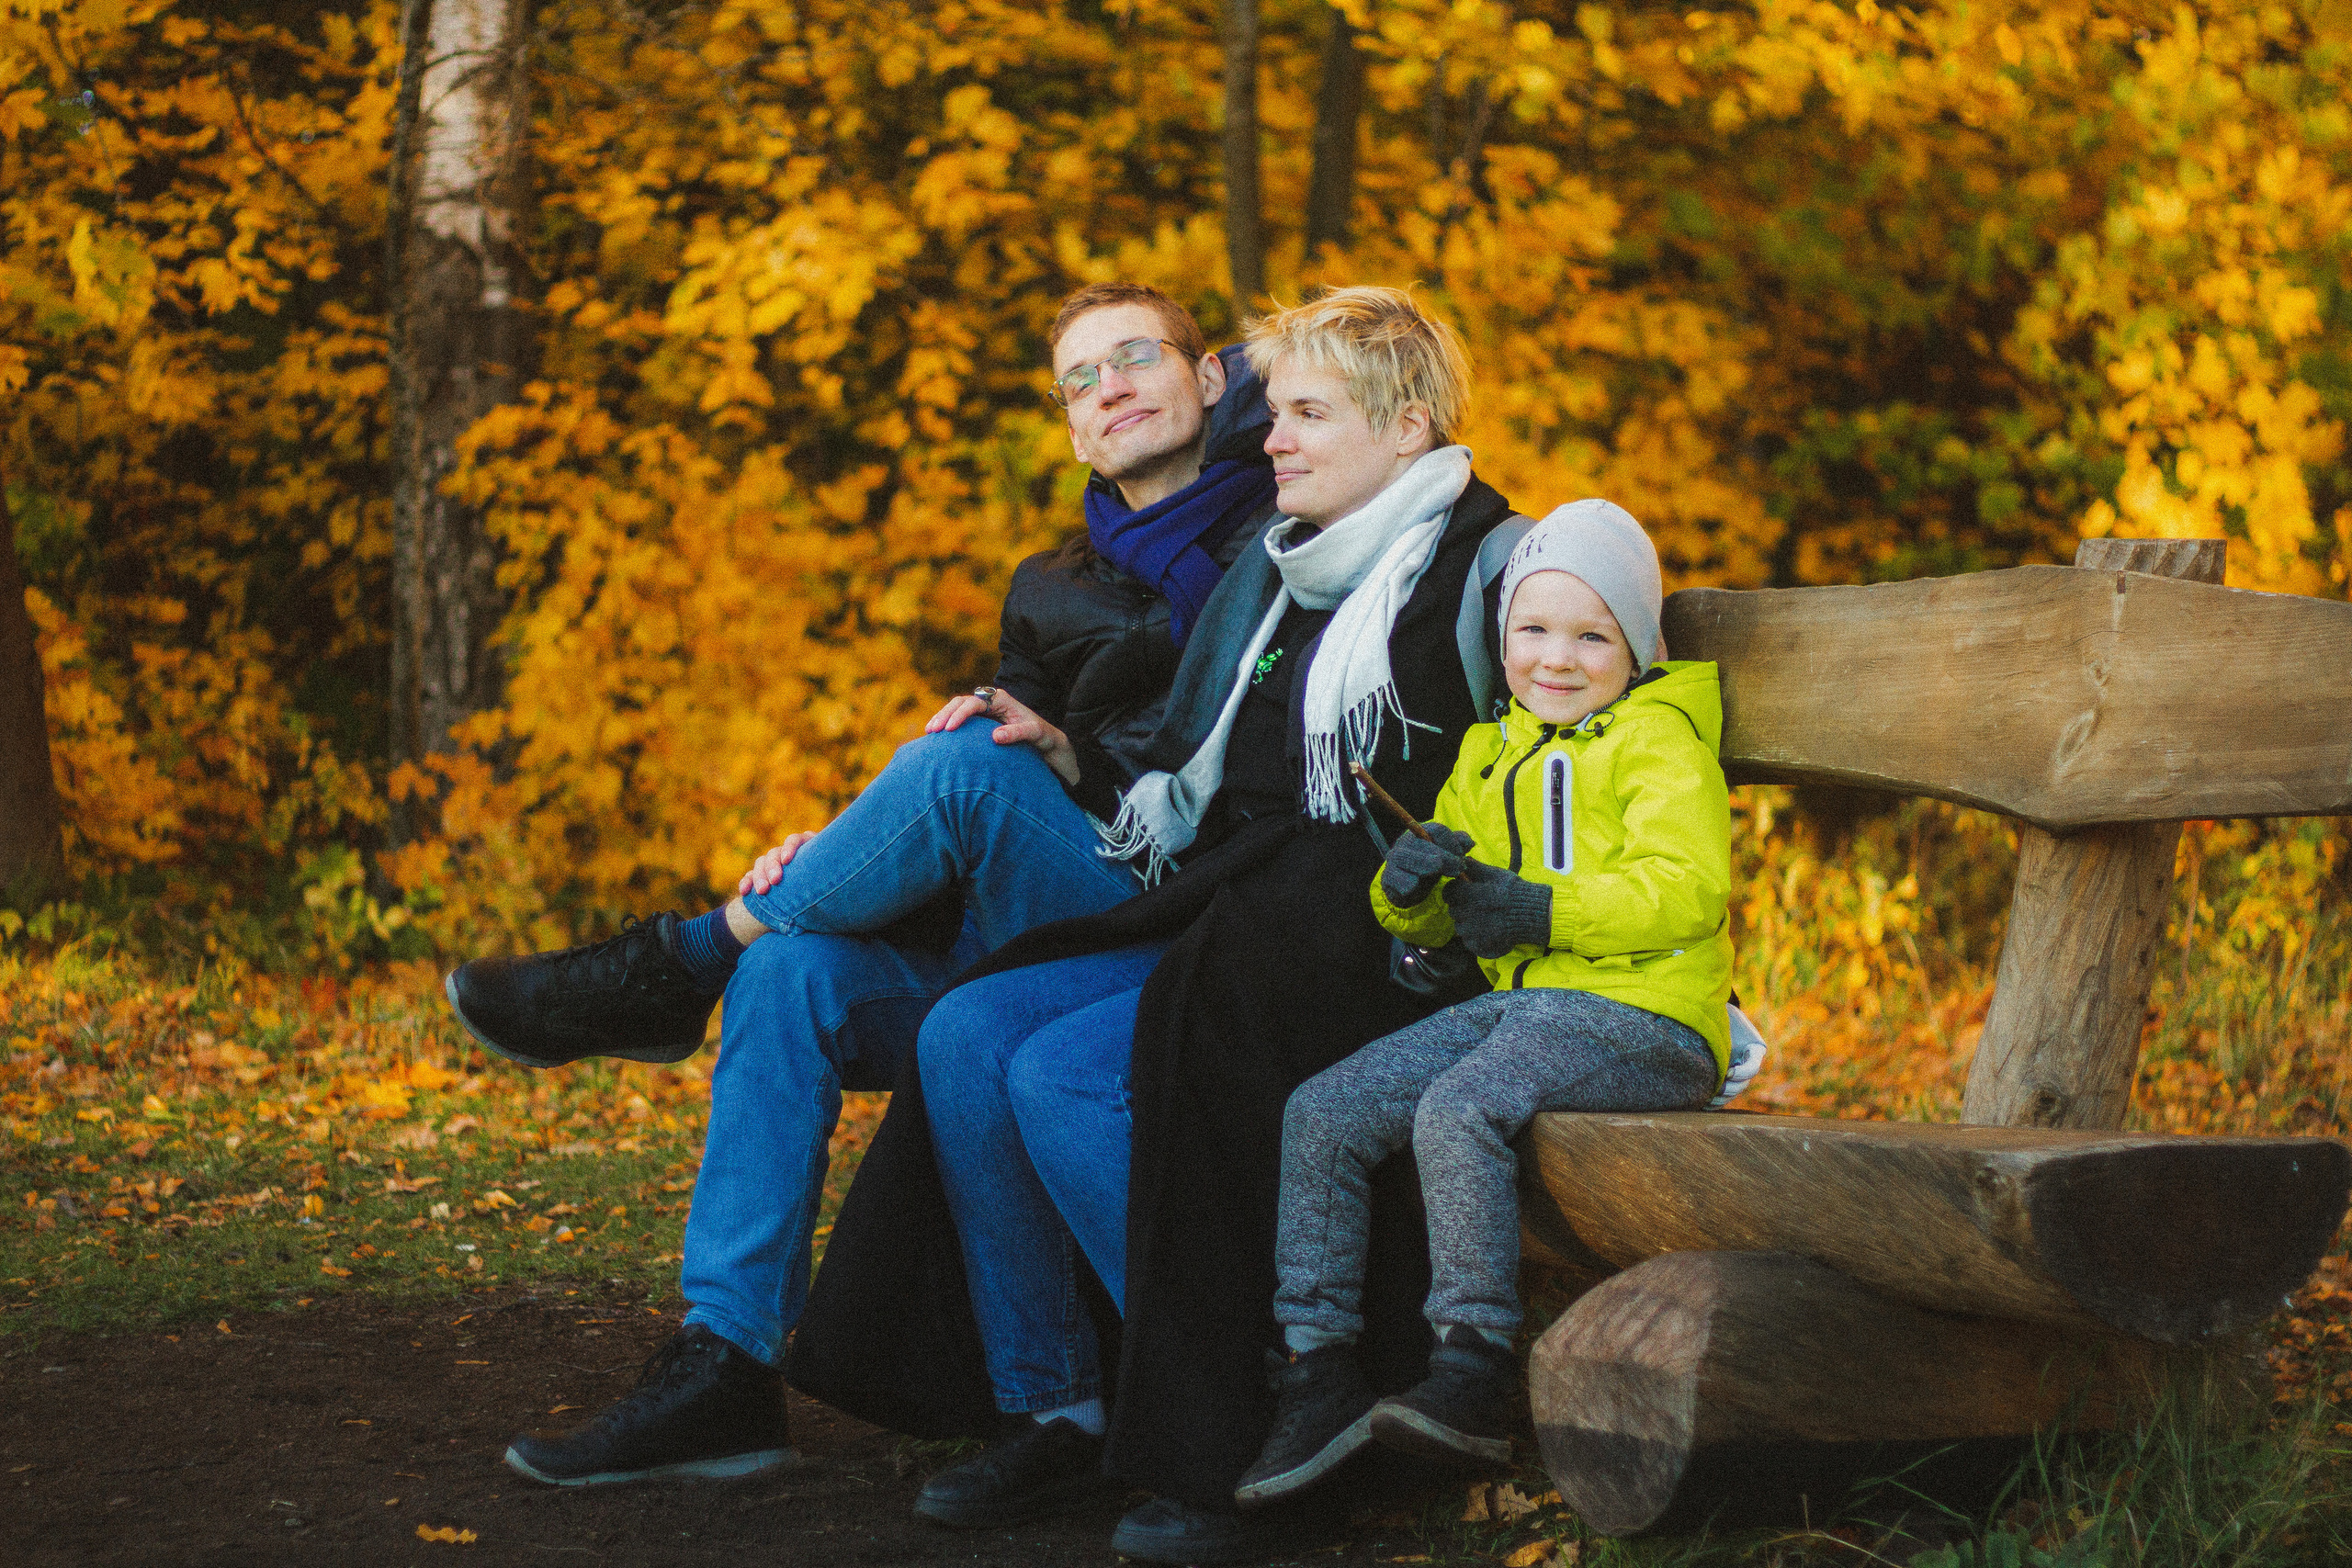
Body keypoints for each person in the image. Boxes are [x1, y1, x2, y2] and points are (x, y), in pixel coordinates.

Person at [455, 281, 1282, 1486]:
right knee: (792, 968)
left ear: (1211, 379)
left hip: (1165, 911)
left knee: (951, 774)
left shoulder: (1278, 529)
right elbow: (1016, 766)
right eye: (1078, 379)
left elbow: (1232, 753)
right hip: (1034, 905)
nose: (1107, 389)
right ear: (1067, 424)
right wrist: (866, 856)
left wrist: (1057, 761)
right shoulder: (1050, 581)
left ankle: (682, 959)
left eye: (1136, 356)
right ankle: (725, 1365)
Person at [785, 286, 1521, 1564]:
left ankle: (1252, 1412)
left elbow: (1537, 759)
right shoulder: (1292, 571)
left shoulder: (1478, 558)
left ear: (1408, 429)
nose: (1272, 438)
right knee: (965, 1034)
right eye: (1275, 409)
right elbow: (1197, 778)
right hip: (1242, 901)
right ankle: (1060, 1401)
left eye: (1305, 415)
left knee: (1065, 1069)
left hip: (1374, 937)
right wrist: (1077, 768)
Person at [1234, 501, 1730, 1508]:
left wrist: (1541, 910)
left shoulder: (1657, 744)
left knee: (1455, 1108)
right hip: (1526, 1015)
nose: (1557, 658)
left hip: (1645, 1021)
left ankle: (1470, 1367)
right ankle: (1316, 1369)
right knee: (1322, 1111)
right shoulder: (1489, 750)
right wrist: (1409, 891)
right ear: (1501, 639)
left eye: (1593, 636)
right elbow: (1443, 922)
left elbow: (1686, 891)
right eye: (1533, 631)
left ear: (1637, 648)